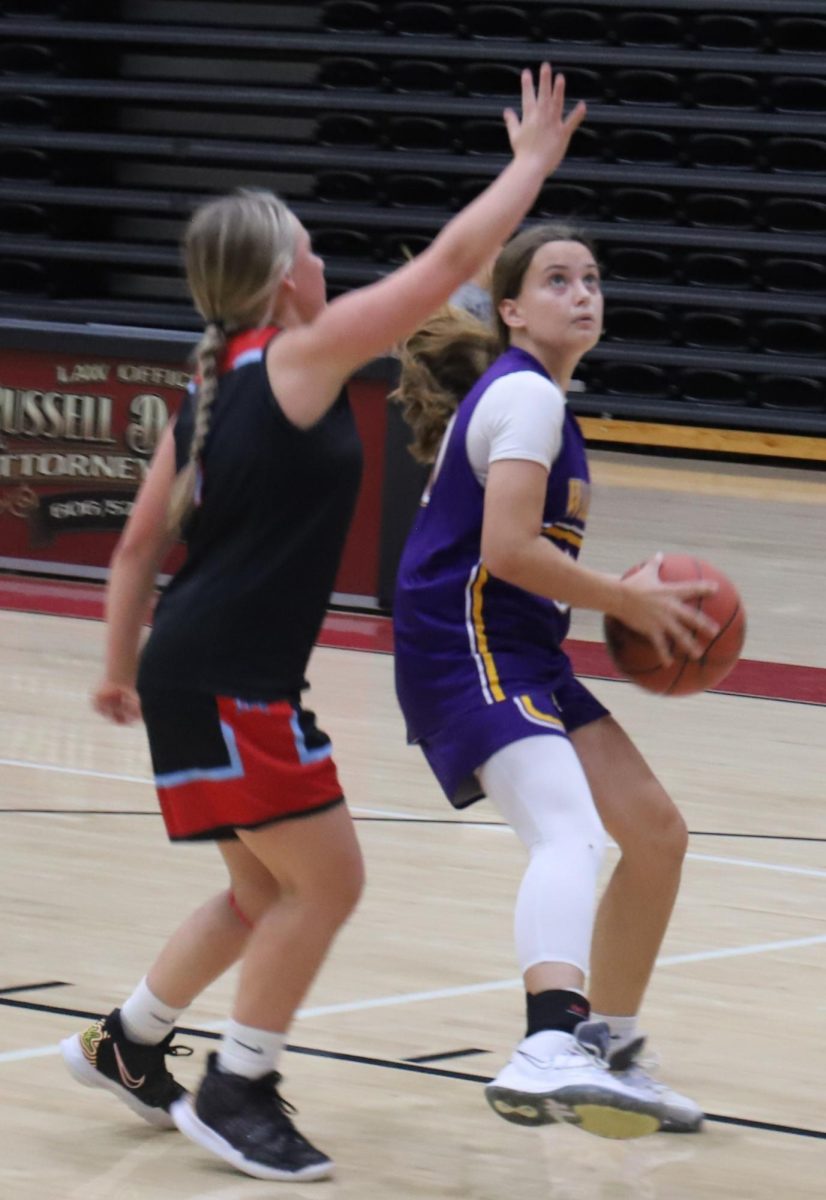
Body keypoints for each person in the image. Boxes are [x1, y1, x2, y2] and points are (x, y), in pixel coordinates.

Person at [59, 65, 587, 1182]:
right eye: (303, 245)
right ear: (277, 278)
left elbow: (135, 545)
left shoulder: (206, 395)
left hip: (187, 669)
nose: (318, 257)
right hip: (234, 677)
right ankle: (239, 1086)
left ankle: (131, 1039)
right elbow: (450, 267)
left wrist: (120, 669)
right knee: (330, 880)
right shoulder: (296, 359)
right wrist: (529, 166)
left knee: (264, 889)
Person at [392, 222, 719, 1139]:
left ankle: (608, 1046)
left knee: (654, 834)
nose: (583, 292)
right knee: (569, 833)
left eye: (592, 278)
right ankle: (548, 1042)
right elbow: (506, 549)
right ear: (511, 310)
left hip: (522, 648)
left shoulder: (538, 399)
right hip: (465, 645)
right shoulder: (527, 398)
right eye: (557, 279)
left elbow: (514, 557)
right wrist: (627, 599)